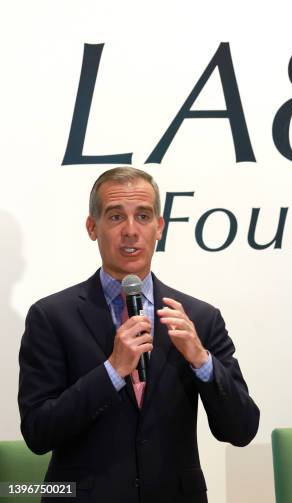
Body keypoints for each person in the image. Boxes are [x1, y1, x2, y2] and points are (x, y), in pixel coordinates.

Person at [18, 167, 259, 503]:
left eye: (143, 216)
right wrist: (112, 371)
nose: (131, 231)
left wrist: (202, 361)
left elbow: (242, 429)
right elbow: (38, 432)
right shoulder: (52, 317)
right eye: (116, 217)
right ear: (92, 227)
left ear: (159, 227)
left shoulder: (199, 318)